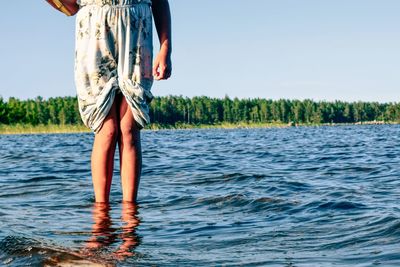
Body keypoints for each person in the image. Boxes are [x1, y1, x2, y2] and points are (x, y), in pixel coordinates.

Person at [73, 0, 172, 203]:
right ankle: (101, 214)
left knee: (129, 128)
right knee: (107, 130)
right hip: (95, 29)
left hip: (137, 27)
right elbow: (70, 6)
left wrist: (165, 48)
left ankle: (130, 214)